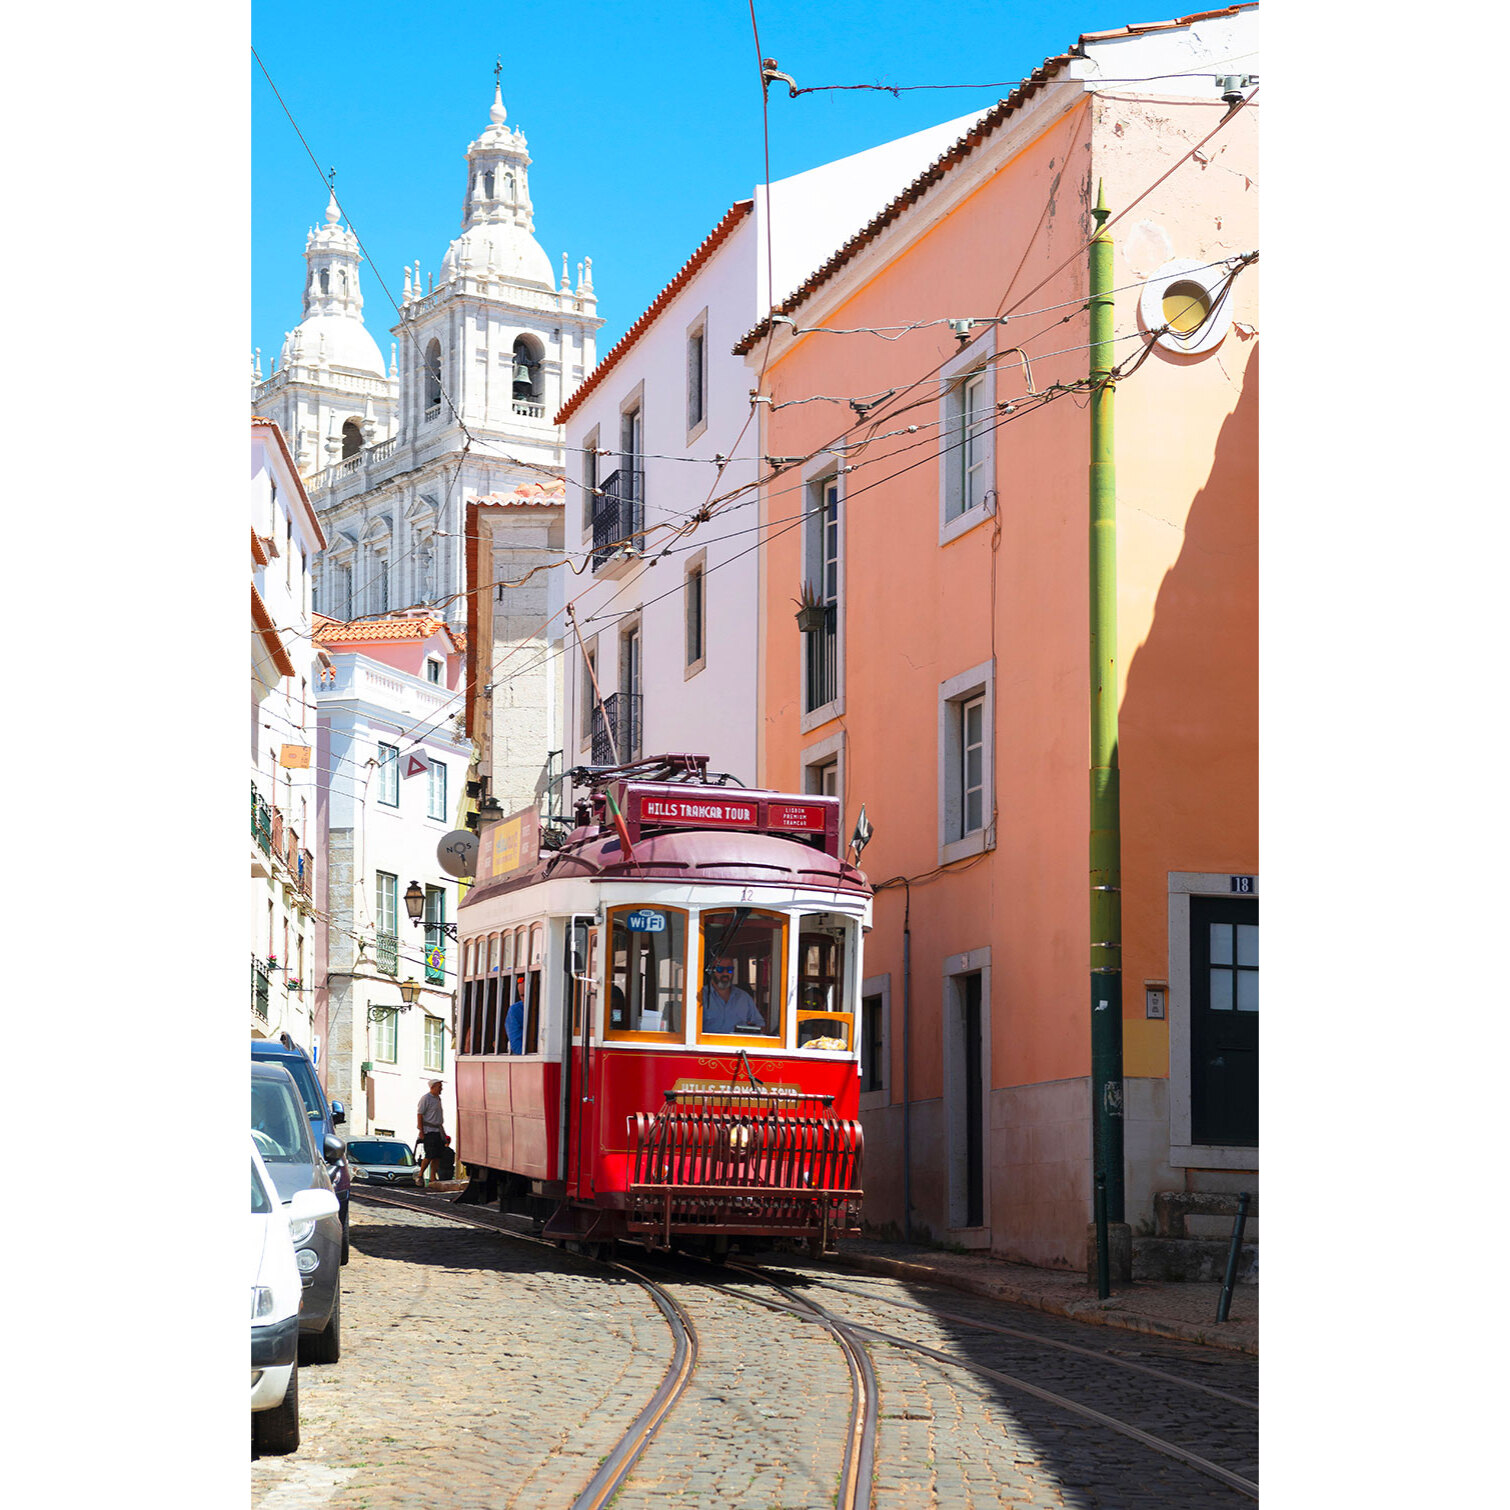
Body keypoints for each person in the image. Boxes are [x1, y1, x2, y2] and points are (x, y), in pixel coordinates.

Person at [702, 960, 764, 1033]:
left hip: (737, 1040)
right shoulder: (701, 996)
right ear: (711, 971)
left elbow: (759, 1024)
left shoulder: (744, 998)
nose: (725, 973)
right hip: (707, 1040)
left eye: (729, 970)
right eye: (720, 969)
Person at [416, 1080, 446, 1187]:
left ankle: (433, 1177)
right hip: (429, 1130)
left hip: (438, 1130)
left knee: (437, 1155)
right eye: (439, 1087)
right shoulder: (426, 1098)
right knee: (429, 1154)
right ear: (433, 1087)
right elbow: (420, 1114)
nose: (441, 1089)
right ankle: (420, 1175)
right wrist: (421, 1131)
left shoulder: (438, 1099)